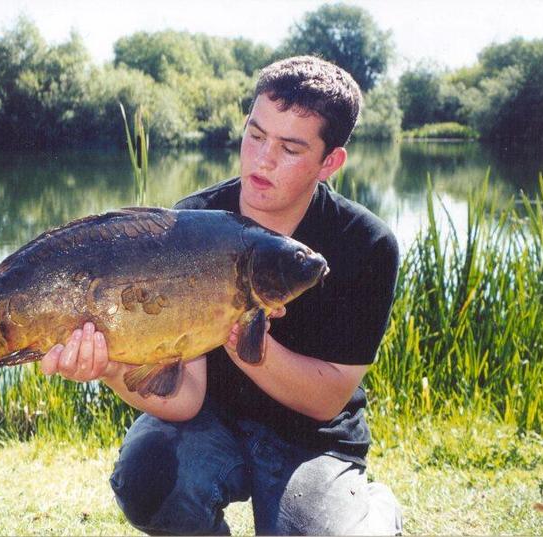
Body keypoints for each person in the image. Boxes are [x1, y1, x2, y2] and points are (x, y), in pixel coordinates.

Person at [40, 55, 402, 535]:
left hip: (313, 438)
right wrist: (109, 366)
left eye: (290, 148)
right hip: (210, 421)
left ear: (329, 162)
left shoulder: (366, 243)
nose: (262, 160)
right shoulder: (194, 222)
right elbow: (184, 399)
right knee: (147, 481)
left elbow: (327, 400)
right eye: (255, 135)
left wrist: (243, 335)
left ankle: (374, 510)